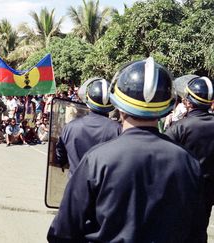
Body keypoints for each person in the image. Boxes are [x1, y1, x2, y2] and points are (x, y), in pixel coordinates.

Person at [47, 58, 204, 242]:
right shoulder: (189, 162)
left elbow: (62, 232)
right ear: (167, 107)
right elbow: (196, 231)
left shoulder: (97, 159)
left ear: (119, 106)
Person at [165, 75, 214, 242]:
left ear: (188, 101)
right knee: (200, 228)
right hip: (209, 189)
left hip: (183, 187)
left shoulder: (180, 127)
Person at [55, 78, 121, 177]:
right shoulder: (118, 130)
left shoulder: (70, 127)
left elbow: (60, 156)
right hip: (104, 190)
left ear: (88, 101)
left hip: (75, 188)